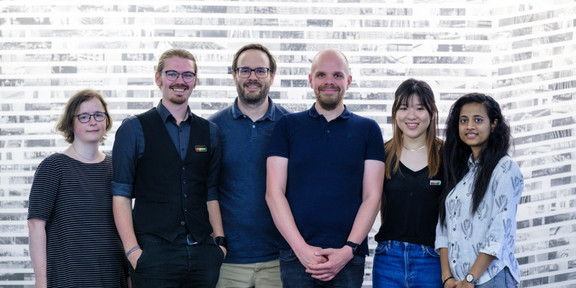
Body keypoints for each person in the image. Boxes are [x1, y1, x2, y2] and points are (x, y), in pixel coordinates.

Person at [265, 48, 385, 288]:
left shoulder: (368, 130)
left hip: (348, 258)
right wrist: (301, 250)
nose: (329, 81)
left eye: (337, 75)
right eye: (321, 75)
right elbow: (273, 193)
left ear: (348, 81)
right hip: (296, 256)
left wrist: (348, 250)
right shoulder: (287, 126)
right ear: (310, 80)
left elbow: (372, 197)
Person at [112, 48, 226, 288]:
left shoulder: (210, 132)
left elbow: (210, 192)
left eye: (187, 75)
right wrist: (133, 251)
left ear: (195, 80)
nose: (180, 81)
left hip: (203, 255)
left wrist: (219, 244)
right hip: (154, 254)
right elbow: (121, 194)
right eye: (172, 73)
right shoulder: (133, 129)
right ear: (158, 78)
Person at [28, 89, 128, 287]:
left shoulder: (115, 167)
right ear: (71, 122)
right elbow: (35, 225)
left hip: (111, 277)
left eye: (98, 115)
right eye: (84, 117)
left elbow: (124, 226)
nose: (93, 122)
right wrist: (41, 280)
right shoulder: (54, 167)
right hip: (69, 277)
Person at [209, 43, 290, 288]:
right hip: (228, 260)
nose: (252, 77)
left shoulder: (291, 126)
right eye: (244, 70)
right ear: (234, 74)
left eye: (260, 70)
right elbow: (207, 190)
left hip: (279, 258)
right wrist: (218, 242)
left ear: (272, 76)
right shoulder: (213, 128)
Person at [436, 93, 523, 288]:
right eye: (463, 120)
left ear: (493, 124)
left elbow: (498, 232)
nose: (469, 126)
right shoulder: (461, 172)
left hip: (490, 279)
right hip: (459, 282)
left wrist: (470, 278)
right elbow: (443, 229)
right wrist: (447, 278)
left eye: (478, 120)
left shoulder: (505, 168)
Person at [372, 78, 444, 288]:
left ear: (432, 113)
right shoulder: (382, 154)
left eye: (420, 108)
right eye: (404, 108)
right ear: (395, 113)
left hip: (432, 260)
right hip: (388, 259)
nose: (411, 116)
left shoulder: (447, 156)